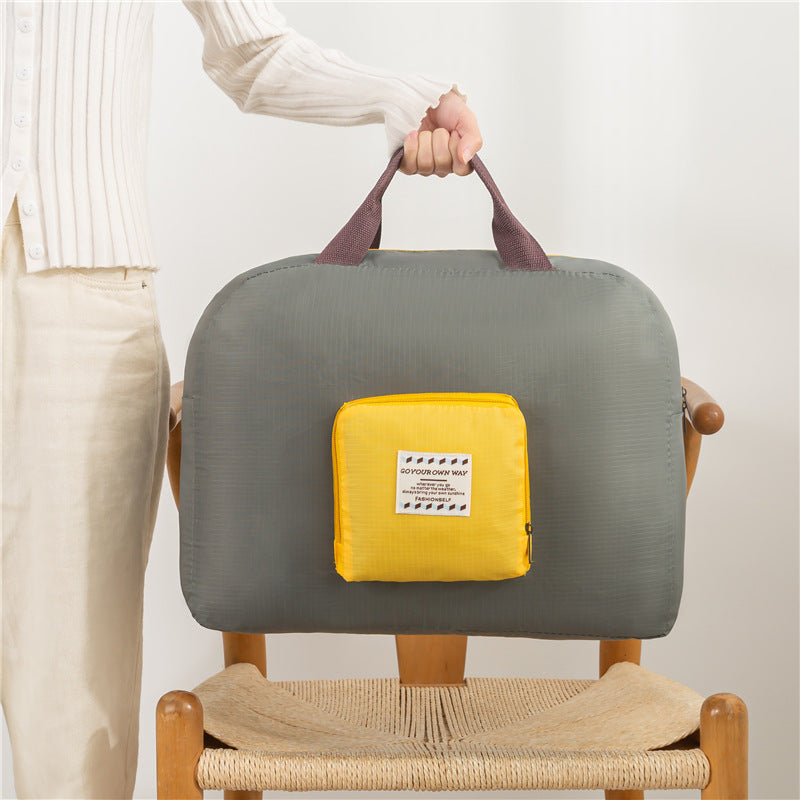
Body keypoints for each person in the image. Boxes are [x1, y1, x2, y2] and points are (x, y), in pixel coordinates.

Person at [0, 1, 483, 797]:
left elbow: (253, 52)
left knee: (70, 675)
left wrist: (408, 98)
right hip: (81, 289)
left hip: (81, 292)